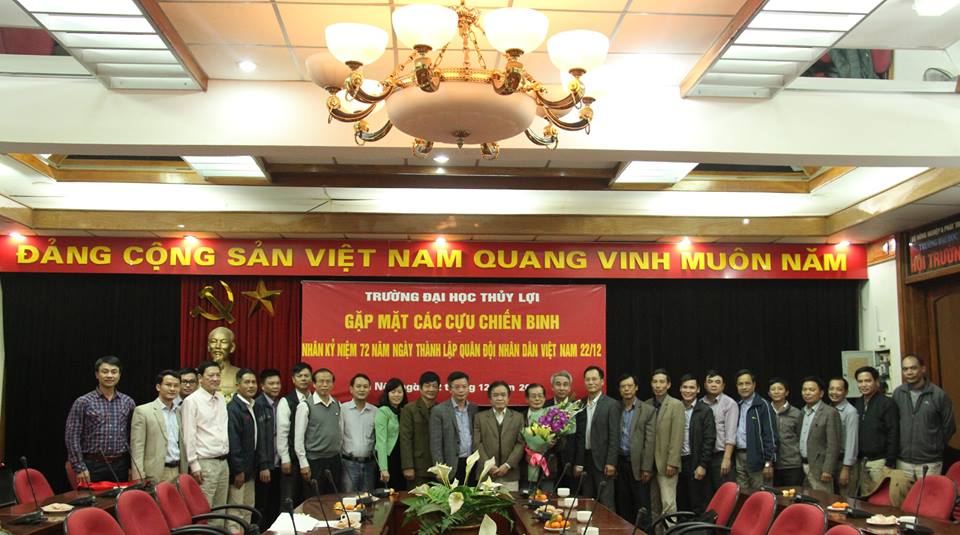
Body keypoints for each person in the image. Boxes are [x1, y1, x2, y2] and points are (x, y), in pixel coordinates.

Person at [65, 355, 136, 485]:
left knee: (120, 497)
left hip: (120, 465)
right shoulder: (83, 402)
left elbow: (132, 436)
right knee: (92, 498)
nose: (109, 375)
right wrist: (80, 467)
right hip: (92, 464)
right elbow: (72, 437)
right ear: (97, 374)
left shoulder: (128, 402)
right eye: (105, 371)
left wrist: (132, 466)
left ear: (119, 375)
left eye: (114, 372)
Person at [893, 354, 956, 480]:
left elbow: (949, 426)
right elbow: (893, 423)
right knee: (906, 494)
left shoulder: (938, 395)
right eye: (905, 369)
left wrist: (935, 446)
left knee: (928, 493)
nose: (909, 372)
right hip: (903, 461)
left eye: (913, 368)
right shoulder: (898, 393)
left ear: (923, 369)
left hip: (930, 462)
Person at [182, 360, 230, 510]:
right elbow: (189, 435)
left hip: (223, 462)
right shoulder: (192, 401)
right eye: (211, 375)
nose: (215, 379)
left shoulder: (221, 398)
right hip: (205, 464)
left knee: (221, 508)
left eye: (218, 375)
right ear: (200, 378)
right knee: (205, 509)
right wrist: (193, 464)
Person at [574, 366, 620, 510]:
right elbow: (579, 435)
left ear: (602, 382)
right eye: (588, 379)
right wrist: (578, 462)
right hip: (585, 459)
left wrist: (611, 462)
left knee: (606, 502)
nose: (591, 382)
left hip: (603, 461)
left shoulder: (612, 404)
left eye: (594, 379)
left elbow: (614, 436)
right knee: (587, 501)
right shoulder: (580, 404)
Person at [130, 369, 185, 484]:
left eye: (176, 386)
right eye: (168, 385)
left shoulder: (179, 412)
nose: (172, 389)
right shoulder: (143, 411)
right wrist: (138, 475)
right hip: (155, 473)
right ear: (158, 387)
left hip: (177, 470)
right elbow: (137, 447)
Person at [294, 368, 342, 495]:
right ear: (314, 384)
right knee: (315, 500)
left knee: (333, 499)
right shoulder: (305, 406)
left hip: (334, 460)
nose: (325, 384)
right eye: (321, 381)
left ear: (333, 384)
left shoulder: (337, 404)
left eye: (328, 381)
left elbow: (340, 431)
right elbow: (298, 438)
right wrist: (303, 463)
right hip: (314, 462)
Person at [615, 373, 655, 524]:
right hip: (620, 463)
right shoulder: (615, 408)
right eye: (623, 386)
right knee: (623, 505)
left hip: (638, 465)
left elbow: (650, 442)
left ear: (636, 388)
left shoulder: (647, 410)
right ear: (619, 389)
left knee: (642, 506)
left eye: (630, 386)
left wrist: (647, 468)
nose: (626, 389)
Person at [853, 366, 898, 495]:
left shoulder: (887, 403)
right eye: (860, 381)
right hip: (862, 461)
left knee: (880, 498)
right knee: (865, 498)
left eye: (868, 381)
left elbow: (893, 433)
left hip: (880, 461)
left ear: (876, 382)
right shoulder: (858, 403)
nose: (864, 385)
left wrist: (889, 462)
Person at [647, 369, 683, 528]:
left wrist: (672, 462)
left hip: (667, 464)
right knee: (654, 505)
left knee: (668, 504)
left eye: (662, 382)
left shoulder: (676, 405)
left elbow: (677, 436)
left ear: (668, 385)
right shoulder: (647, 404)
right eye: (655, 382)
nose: (658, 385)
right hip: (650, 465)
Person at [473, 381, 525, 491]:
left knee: (510, 502)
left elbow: (520, 444)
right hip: (486, 474)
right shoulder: (479, 417)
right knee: (486, 502)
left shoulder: (518, 417)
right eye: (495, 395)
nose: (499, 398)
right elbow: (477, 443)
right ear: (490, 399)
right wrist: (488, 465)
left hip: (510, 474)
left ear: (508, 398)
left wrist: (507, 465)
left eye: (503, 395)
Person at [677, 374, 716, 515]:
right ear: (680, 389)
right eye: (685, 387)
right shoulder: (675, 408)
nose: (688, 391)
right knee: (680, 502)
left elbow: (709, 439)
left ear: (698, 390)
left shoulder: (705, 410)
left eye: (691, 387)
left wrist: (702, 465)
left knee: (696, 503)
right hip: (677, 463)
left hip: (695, 462)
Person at [430, 371, 478, 484]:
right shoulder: (439, 410)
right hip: (450, 465)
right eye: (457, 387)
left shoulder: (474, 408)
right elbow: (436, 443)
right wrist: (440, 469)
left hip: (472, 463)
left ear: (469, 388)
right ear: (450, 389)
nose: (461, 390)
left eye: (464, 387)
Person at [733, 369, 776, 491]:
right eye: (740, 384)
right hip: (739, 457)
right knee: (742, 495)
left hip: (758, 460)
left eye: (747, 383)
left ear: (754, 385)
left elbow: (770, 435)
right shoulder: (736, 405)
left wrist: (768, 463)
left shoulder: (763, 405)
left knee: (760, 495)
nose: (744, 387)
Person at [227, 368, 259, 523]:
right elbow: (233, 442)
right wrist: (238, 470)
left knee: (248, 508)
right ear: (237, 385)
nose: (251, 385)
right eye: (247, 382)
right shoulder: (233, 408)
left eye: (253, 382)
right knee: (236, 512)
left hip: (250, 468)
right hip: (239, 471)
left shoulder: (252, 405)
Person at [278, 362, 312, 506]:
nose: (303, 379)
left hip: (310, 457)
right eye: (299, 376)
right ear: (293, 379)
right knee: (289, 499)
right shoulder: (286, 401)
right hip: (291, 458)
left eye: (306, 376)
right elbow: (282, 431)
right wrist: (285, 457)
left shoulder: (315, 400)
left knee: (308, 500)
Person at [799, 376, 841, 493]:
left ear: (821, 393)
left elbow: (833, 445)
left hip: (820, 468)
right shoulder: (802, 411)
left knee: (823, 500)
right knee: (807, 500)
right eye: (804, 389)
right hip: (803, 466)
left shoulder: (830, 412)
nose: (807, 393)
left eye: (811, 390)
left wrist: (827, 469)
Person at [400, 371, 441, 486]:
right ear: (420, 388)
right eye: (427, 386)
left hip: (437, 468)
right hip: (417, 467)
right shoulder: (409, 409)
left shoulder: (441, 409)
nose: (431, 389)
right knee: (417, 497)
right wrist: (408, 466)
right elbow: (405, 439)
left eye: (434, 386)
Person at [700, 370, 738, 494]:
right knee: (706, 496)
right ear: (705, 385)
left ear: (723, 386)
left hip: (721, 456)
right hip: (703, 457)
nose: (713, 385)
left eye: (717, 382)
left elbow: (731, 434)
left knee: (725, 495)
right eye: (710, 382)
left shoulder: (729, 403)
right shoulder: (700, 403)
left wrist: (726, 459)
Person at [254, 368, 282, 530]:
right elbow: (260, 439)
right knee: (262, 505)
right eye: (271, 383)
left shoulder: (280, 403)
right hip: (265, 465)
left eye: (278, 383)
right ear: (262, 386)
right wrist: (263, 465)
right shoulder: (258, 405)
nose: (275, 386)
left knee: (274, 504)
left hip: (277, 462)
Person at [340, 373, 377, 493]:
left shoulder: (375, 411)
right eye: (358, 386)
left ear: (370, 389)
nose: (362, 389)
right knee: (348, 499)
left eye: (365, 387)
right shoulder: (342, 409)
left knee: (368, 499)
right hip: (348, 464)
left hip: (369, 464)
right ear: (351, 389)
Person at [768, 378, 803, 486]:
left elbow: (801, 437)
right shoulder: (765, 411)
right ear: (769, 393)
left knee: (793, 494)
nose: (776, 391)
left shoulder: (796, 413)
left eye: (780, 389)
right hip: (771, 465)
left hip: (792, 464)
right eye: (773, 389)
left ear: (786, 392)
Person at [827, 377, 859, 496]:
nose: (834, 392)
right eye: (831, 389)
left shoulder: (850, 412)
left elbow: (852, 442)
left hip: (844, 462)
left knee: (845, 499)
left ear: (846, 392)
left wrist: (846, 468)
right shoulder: (828, 409)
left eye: (839, 389)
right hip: (831, 462)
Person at [375, 377, 408, 491]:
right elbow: (381, 441)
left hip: (401, 458)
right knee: (388, 494)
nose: (396, 395)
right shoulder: (383, 411)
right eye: (393, 392)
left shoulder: (404, 411)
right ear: (387, 394)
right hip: (388, 458)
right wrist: (383, 468)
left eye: (399, 392)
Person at [546, 370, 577, 490]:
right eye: (558, 384)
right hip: (549, 461)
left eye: (565, 385)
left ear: (569, 388)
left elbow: (580, 437)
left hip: (570, 461)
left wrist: (579, 462)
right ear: (552, 387)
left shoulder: (576, 407)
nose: (562, 388)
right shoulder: (545, 406)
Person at [521, 383, 554, 493]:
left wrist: (553, 443)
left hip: (547, 469)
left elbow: (563, 442)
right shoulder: (519, 417)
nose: (537, 399)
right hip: (525, 469)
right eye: (533, 396)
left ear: (544, 398)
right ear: (526, 399)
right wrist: (527, 454)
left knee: (547, 501)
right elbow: (516, 441)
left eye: (540, 396)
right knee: (525, 501)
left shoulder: (552, 416)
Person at [207, 326, 239, 400]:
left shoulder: (240, 374)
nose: (218, 346)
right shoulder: (198, 374)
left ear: (232, 347)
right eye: (213, 341)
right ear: (208, 346)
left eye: (223, 342)